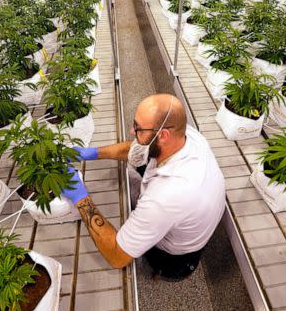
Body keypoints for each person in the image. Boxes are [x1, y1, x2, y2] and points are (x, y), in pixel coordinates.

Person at [61, 94, 226, 280]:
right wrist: (91, 153)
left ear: (163, 135)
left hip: (175, 258)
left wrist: (80, 198)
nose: (132, 131)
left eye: (138, 128)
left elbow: (116, 257)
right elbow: (136, 148)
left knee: (155, 260)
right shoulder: (186, 135)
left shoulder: (165, 197)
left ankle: (161, 272)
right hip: (187, 215)